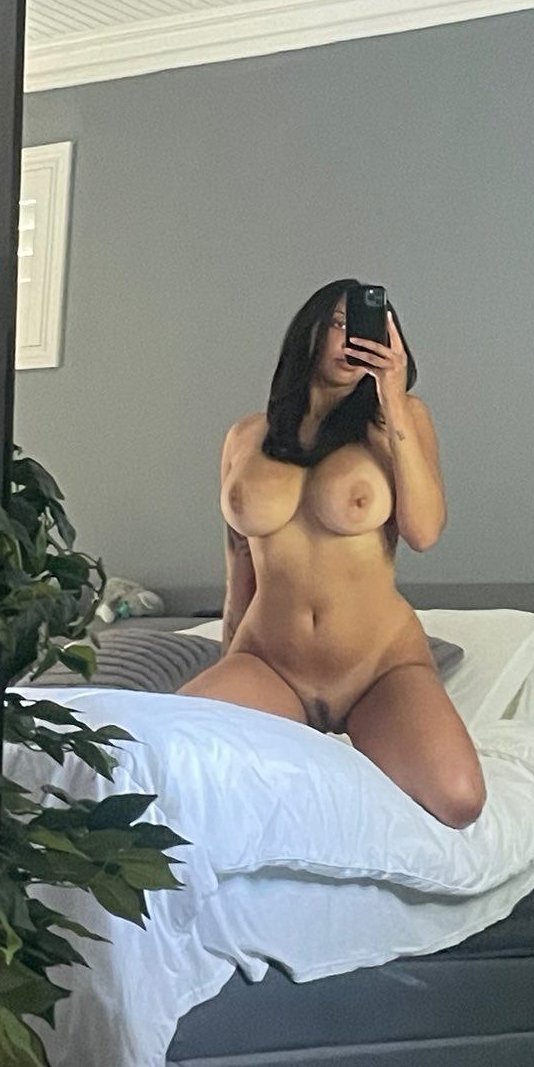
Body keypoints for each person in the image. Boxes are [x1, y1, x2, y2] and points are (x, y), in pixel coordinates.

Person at [179, 279, 486, 827]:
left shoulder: (399, 421)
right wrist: (229, 659)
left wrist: (392, 398)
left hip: (378, 666)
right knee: (168, 754)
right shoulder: (246, 436)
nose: (350, 340)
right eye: (339, 325)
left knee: (458, 798)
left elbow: (423, 532)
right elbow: (239, 565)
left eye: (365, 328)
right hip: (269, 662)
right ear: (310, 332)